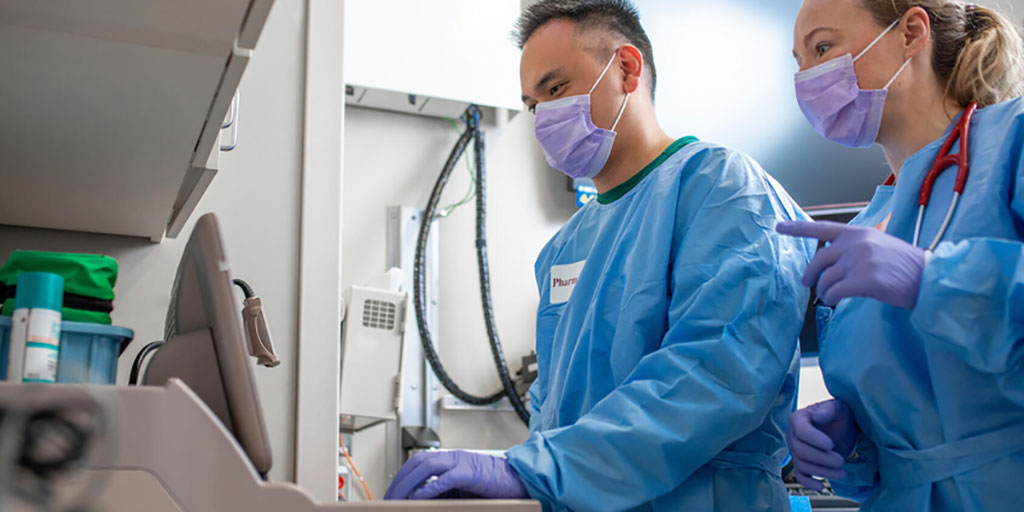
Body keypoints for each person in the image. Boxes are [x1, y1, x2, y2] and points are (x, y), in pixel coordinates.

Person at [384, 1, 815, 510]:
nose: (543, 116)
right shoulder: (564, 247)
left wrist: (538, 470)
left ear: (627, 69)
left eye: (555, 89)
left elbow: (716, 377)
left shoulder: (725, 192)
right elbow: (553, 411)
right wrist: (523, 476)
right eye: (531, 105)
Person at [781, 1, 1024, 510]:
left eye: (823, 48)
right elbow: (902, 449)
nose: (806, 78)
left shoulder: (1013, 142)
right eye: (798, 62)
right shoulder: (865, 228)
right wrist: (849, 445)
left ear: (912, 32)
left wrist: (931, 280)